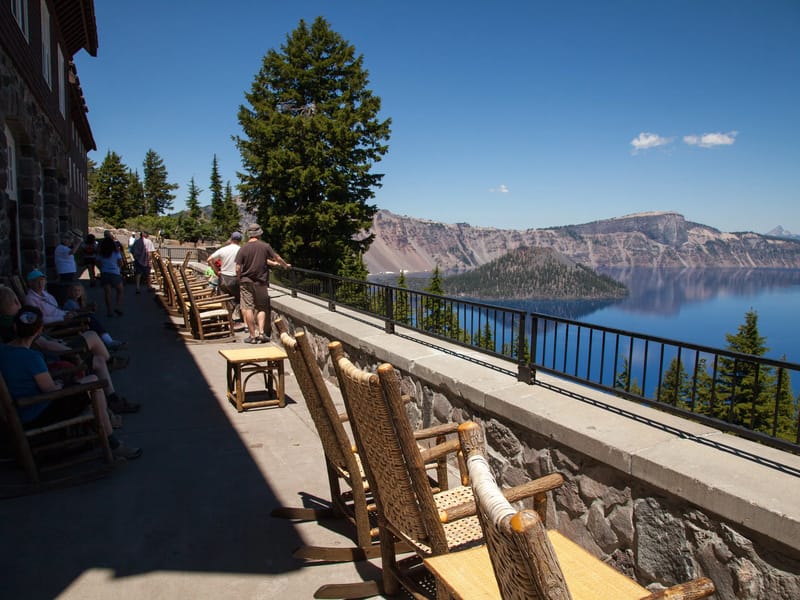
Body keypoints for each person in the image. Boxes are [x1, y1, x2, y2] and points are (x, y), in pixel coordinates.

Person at [0, 305, 141, 459]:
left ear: (15, 326)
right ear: (39, 330)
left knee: (83, 381)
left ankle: (105, 422)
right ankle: (112, 443)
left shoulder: (3, 350)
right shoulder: (31, 357)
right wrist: (59, 385)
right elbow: (50, 390)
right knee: (93, 383)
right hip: (36, 413)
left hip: (22, 409)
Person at [1, 285, 138, 414]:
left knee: (98, 358)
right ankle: (111, 369)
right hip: (55, 361)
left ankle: (112, 398)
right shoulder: (22, 326)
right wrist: (71, 351)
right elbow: (44, 346)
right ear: (15, 302)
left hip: (49, 360)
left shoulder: (17, 325)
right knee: (92, 344)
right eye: (16, 302)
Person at [235, 223, 291, 344]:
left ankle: (252, 336)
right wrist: (285, 265)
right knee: (261, 307)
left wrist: (239, 278)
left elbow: (238, 267)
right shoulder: (265, 246)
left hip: (246, 281)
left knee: (248, 308)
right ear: (259, 233)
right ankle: (261, 333)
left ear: (249, 234)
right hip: (261, 282)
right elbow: (276, 257)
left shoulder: (243, 248)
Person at [208, 231, 243, 319]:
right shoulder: (241, 250)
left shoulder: (223, 249)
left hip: (223, 277)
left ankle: (225, 319)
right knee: (239, 299)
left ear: (231, 239)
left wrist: (216, 271)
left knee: (223, 299)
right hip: (235, 278)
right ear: (240, 240)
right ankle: (233, 318)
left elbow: (209, 259)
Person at [98, 234, 124, 317]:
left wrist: (101, 268)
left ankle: (109, 310)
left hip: (105, 273)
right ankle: (118, 306)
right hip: (115, 273)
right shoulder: (116, 253)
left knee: (107, 293)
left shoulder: (101, 253)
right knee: (119, 290)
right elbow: (121, 263)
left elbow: (97, 262)